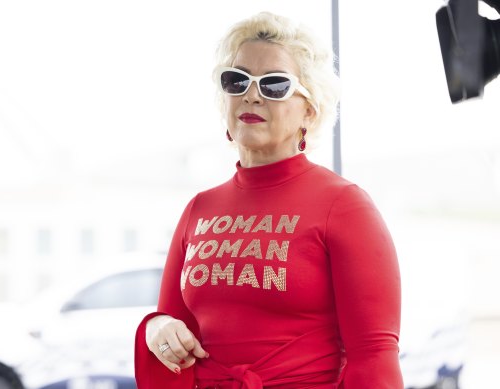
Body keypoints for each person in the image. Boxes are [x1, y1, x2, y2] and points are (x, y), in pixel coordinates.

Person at [134, 11, 403, 389]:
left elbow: (374, 360)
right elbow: (171, 323)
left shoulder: (345, 206)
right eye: (236, 80)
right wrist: (158, 328)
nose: (251, 94)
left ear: (309, 110)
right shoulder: (199, 209)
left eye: (274, 84)